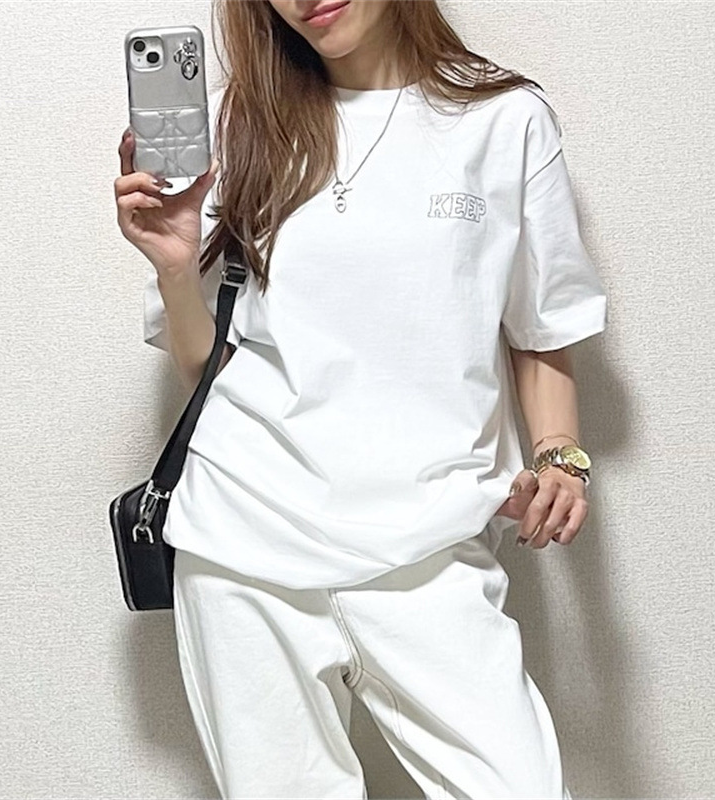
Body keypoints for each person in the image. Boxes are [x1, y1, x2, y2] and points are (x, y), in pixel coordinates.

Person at [114, 1, 608, 797]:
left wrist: (562, 459)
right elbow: (207, 363)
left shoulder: (506, 120)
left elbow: (541, 324)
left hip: (430, 541)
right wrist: (176, 267)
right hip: (245, 539)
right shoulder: (237, 125)